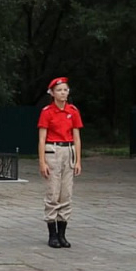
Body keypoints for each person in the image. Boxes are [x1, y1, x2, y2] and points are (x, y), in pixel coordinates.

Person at [38, 77, 82, 249]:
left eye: (65, 90)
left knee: (66, 193)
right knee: (53, 192)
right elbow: (42, 138)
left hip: (68, 150)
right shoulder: (47, 112)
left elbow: (77, 137)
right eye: (59, 90)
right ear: (52, 93)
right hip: (53, 150)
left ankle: (63, 233)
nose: (63, 93)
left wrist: (78, 159)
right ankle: (52, 233)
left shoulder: (73, 111)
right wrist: (42, 161)